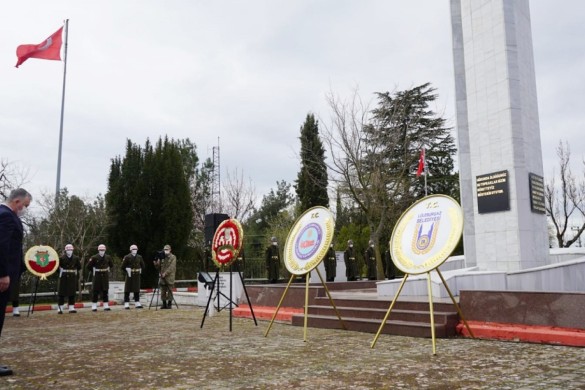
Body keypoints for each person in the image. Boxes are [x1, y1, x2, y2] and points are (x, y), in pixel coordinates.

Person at [0, 188, 32, 377]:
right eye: (25, 206)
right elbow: (1, 246)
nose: (25, 209)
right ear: (17, 201)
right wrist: (3, 274)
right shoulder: (5, 216)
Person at [86, 244, 113, 312]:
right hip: (97, 275)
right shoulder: (94, 257)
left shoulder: (108, 257)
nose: (102, 251)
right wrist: (94, 270)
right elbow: (88, 266)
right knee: (95, 291)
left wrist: (108, 269)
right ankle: (94, 305)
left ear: (105, 250)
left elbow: (111, 265)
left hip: (105, 275)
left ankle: (106, 305)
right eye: (101, 250)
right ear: (98, 250)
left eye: (103, 250)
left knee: (105, 291)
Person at [57, 244, 81, 314]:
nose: (69, 251)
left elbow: (79, 267)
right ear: (65, 250)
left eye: (70, 250)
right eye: (68, 250)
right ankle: (60, 308)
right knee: (61, 293)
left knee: (72, 293)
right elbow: (57, 268)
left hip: (72, 276)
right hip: (63, 276)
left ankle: (71, 307)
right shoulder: (61, 258)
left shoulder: (76, 258)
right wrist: (60, 273)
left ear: (72, 250)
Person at [121, 244, 145, 309]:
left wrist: (140, 269)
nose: (135, 250)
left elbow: (143, 265)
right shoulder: (127, 257)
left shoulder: (139, 257)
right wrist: (127, 269)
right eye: (133, 249)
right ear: (131, 250)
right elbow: (122, 266)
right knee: (127, 289)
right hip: (129, 274)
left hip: (137, 274)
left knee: (136, 289)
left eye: (136, 249)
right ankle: (126, 303)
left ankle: (137, 302)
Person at [154, 244, 176, 309]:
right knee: (163, 290)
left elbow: (172, 267)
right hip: (162, 276)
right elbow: (158, 266)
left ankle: (169, 303)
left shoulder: (173, 257)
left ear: (170, 250)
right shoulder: (162, 257)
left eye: (167, 249)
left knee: (170, 290)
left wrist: (165, 273)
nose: (165, 251)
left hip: (169, 276)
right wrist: (156, 263)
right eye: (165, 249)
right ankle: (164, 304)